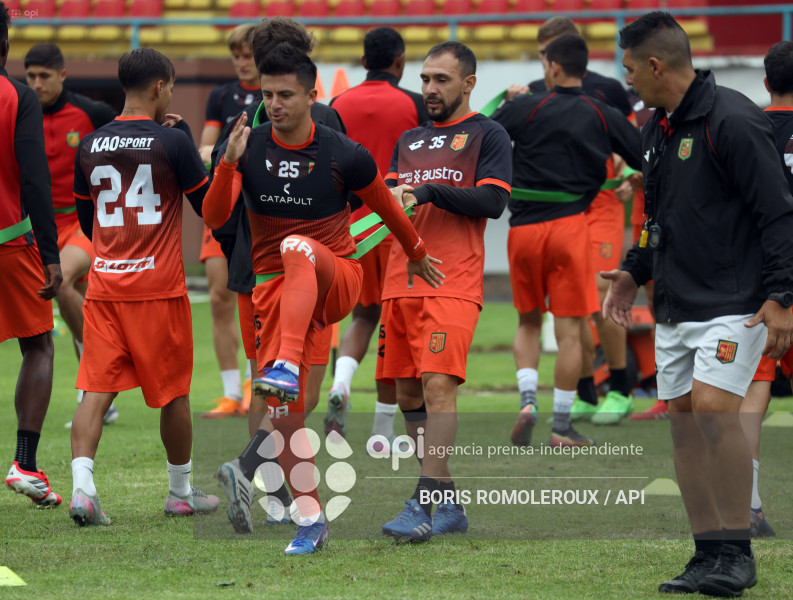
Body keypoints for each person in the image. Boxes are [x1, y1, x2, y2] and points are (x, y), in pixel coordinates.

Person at [203, 42, 443, 554]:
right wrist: (227, 164)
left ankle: (285, 364)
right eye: (267, 95)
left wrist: (417, 251)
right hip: (278, 293)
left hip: (338, 278)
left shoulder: (342, 151)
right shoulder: (249, 143)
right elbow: (216, 217)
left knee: (298, 246)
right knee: (288, 416)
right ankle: (311, 522)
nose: (274, 104)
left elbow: (387, 206)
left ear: (313, 94)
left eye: (285, 94)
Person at [603, 13, 793, 596]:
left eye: (631, 68)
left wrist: (783, 295)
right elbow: (656, 219)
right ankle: (707, 553)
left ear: (655, 66)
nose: (628, 79)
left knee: (713, 409)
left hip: (736, 302)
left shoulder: (734, 119)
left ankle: (739, 551)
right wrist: (634, 272)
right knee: (684, 427)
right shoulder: (654, 130)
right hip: (675, 304)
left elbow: (778, 212)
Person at [69, 48, 219, 526]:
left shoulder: (88, 145)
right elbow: (210, 207)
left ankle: (83, 490)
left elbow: (87, 224)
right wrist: (188, 141)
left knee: (95, 389)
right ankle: (180, 492)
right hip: (158, 289)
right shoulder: (171, 143)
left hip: (105, 287)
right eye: (171, 87)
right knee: (174, 393)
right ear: (160, 87)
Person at [378, 41, 512, 542]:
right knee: (409, 393)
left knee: (437, 388)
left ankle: (423, 501)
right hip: (400, 281)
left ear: (469, 83)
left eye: (442, 80)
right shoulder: (408, 139)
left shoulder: (488, 134)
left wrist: (429, 192)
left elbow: (493, 201)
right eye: (426, 79)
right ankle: (448, 501)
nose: (430, 89)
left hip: (452, 281)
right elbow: (391, 202)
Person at [492, 34, 641, 448]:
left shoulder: (525, 105)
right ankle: (561, 425)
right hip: (571, 227)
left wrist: (506, 102)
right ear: (584, 66)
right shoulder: (603, 111)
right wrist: (631, 175)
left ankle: (526, 402)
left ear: (553, 67)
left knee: (527, 321)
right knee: (571, 327)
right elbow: (646, 155)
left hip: (522, 230)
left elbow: (479, 138)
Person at [208, 17, 348, 437]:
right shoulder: (322, 118)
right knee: (303, 387)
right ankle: (280, 489)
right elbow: (349, 194)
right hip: (309, 268)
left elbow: (219, 208)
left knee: (267, 383)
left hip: (255, 269)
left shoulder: (241, 124)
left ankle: (268, 488)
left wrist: (238, 252)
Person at [324, 26, 430, 440]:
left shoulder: (337, 103)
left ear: (364, 61)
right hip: (397, 226)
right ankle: (384, 430)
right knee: (396, 323)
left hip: (351, 229)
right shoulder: (415, 104)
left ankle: (341, 384)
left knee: (364, 314)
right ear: (400, 61)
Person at [23, 43, 118, 427]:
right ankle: (101, 393)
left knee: (59, 282)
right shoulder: (19, 112)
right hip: (37, 229)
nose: (36, 83)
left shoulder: (90, 113)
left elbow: (131, 130)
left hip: (82, 224)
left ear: (62, 75)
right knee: (75, 298)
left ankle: (96, 380)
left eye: (44, 75)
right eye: (30, 76)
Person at [1, 1, 64, 508]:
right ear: (5, 44)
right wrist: (51, 253)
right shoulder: (16, 97)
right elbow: (33, 178)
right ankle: (24, 461)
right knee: (38, 345)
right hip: (10, 244)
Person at [737, 40, 793, 539]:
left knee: (755, 389)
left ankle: (749, 504)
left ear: (765, 81)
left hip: (759, 285)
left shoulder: (745, 127)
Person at [198, 24, 260, 418]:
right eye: (235, 54)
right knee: (220, 298)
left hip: (258, 207)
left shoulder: (275, 94)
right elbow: (206, 144)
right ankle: (230, 393)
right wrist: (215, 152)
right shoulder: (221, 96)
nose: (240, 62)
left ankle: (257, 385)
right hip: (225, 201)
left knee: (256, 298)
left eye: (247, 54)